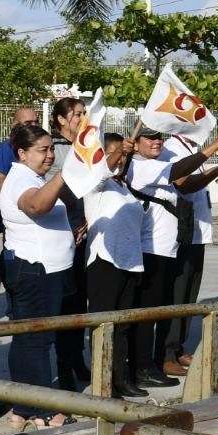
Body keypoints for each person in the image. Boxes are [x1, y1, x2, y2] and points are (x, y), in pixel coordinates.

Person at [127, 127, 218, 385]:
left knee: (177, 301)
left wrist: (217, 168)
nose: (156, 141)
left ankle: (163, 355)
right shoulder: (154, 159)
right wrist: (214, 147)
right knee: (158, 308)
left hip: (174, 242)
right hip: (154, 248)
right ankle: (154, 360)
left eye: (157, 137)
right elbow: (180, 179)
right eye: (149, 137)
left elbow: (185, 184)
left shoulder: (165, 154)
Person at [0, 122, 74, 429]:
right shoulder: (20, 180)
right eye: (42, 150)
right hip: (35, 270)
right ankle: (43, 411)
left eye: (52, 149)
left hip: (43, 269)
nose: (49, 156)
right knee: (38, 341)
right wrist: (64, 175)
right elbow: (37, 206)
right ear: (22, 153)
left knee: (26, 339)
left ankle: (23, 406)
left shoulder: (33, 177)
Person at [83, 133, 149, 398]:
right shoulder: (94, 183)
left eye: (124, 155)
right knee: (103, 324)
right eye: (115, 153)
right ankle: (102, 381)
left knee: (122, 326)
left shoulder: (124, 186)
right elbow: (101, 171)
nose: (120, 159)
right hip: (104, 262)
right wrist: (117, 151)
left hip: (130, 262)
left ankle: (120, 378)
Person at [43, 98, 91, 390]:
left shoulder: (85, 146)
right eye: (77, 114)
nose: (82, 118)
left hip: (87, 233)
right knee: (65, 305)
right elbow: (53, 189)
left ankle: (76, 358)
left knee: (80, 306)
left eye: (84, 113)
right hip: (65, 232)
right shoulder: (56, 149)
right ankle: (64, 367)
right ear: (61, 119)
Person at [0, 106, 40, 193]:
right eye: (28, 123)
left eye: (36, 122)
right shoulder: (6, 147)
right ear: (15, 123)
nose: (34, 125)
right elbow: (1, 180)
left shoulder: (39, 145)